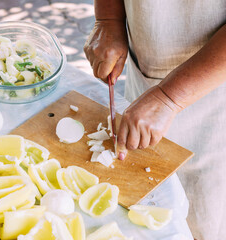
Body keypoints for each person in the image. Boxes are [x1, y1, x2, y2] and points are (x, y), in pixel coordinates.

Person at [84, 0, 226, 239]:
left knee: (206, 216)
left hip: (215, 89)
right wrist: (108, 19)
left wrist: (169, 97)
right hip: (148, 73)